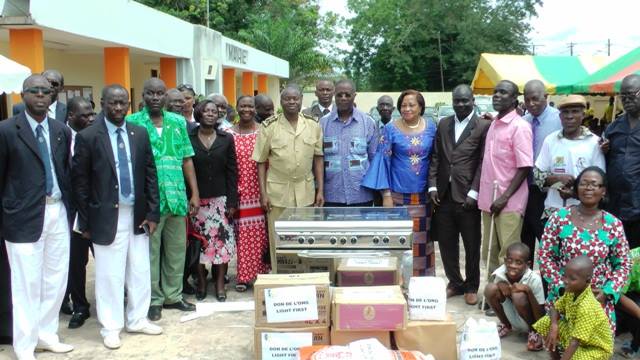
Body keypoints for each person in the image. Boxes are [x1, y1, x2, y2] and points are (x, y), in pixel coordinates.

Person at [72, 85, 162, 349]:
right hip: (105, 216)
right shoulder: (88, 137)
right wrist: (86, 222)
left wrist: (153, 212)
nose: (119, 108)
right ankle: (110, 326)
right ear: (102, 103)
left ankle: (137, 319)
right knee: (109, 274)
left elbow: (150, 175)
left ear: (130, 104)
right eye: (113, 103)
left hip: (137, 214)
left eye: (123, 102)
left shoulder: (139, 134)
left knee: (140, 269)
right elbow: (80, 184)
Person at [0, 74, 74, 360]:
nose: (41, 95)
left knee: (55, 279)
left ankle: (46, 334)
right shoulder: (6, 130)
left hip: (57, 211)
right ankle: (25, 345)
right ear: (23, 95)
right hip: (22, 217)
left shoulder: (60, 130)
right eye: (35, 91)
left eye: (46, 91)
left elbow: (65, 171)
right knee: (26, 284)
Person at [126, 78, 199, 321]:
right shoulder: (132, 123)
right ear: (143, 96)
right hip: (150, 201)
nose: (155, 97)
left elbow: (187, 159)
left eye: (160, 93)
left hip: (177, 196)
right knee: (150, 253)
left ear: (166, 97)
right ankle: (153, 299)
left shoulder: (178, 122)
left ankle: (173, 296)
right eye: (150, 93)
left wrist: (194, 193)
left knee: (177, 251)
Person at [538, 166, 630, 333]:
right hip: (562, 298)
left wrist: (607, 292)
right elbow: (545, 256)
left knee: (592, 353)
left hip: (597, 301)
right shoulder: (559, 218)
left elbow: (623, 264)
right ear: (576, 188)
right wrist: (560, 285)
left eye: (594, 184)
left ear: (603, 191)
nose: (588, 188)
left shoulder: (613, 224)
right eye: (584, 183)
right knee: (561, 351)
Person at [363, 89, 437, 276]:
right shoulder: (390, 129)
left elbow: (436, 158)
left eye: (411, 105)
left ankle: (421, 282)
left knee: (422, 241)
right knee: (399, 241)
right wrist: (386, 194)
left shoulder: (431, 127)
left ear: (421, 107)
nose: (407, 108)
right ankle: (398, 281)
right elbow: (382, 161)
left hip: (422, 197)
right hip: (397, 197)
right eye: (403, 105)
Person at [428, 84, 491, 305]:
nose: (461, 104)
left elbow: (483, 162)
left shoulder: (483, 126)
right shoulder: (444, 124)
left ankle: (472, 285)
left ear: (473, 100)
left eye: (465, 100)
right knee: (446, 243)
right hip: (444, 195)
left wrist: (475, 192)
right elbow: (436, 156)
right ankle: (455, 282)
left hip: (468, 196)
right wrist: (433, 186)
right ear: (452, 101)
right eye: (457, 100)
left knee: (472, 243)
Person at [252, 84, 324, 272]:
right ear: (280, 101)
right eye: (287, 99)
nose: (292, 102)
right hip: (277, 192)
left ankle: (303, 275)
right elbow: (260, 161)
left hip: (305, 190)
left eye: (295, 98)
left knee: (305, 237)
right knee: (278, 238)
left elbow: (318, 158)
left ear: (301, 100)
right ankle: (280, 275)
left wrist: (320, 190)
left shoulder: (313, 124)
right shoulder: (270, 126)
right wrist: (263, 194)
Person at [478, 80, 533, 280]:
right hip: (488, 199)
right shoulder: (493, 124)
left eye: (503, 92)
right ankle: (494, 293)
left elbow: (525, 166)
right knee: (489, 251)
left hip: (508, 202)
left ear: (514, 99)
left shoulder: (520, 126)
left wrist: (505, 197)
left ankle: (507, 298)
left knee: (508, 255)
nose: (497, 96)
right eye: (495, 92)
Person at [188, 99, 238, 301]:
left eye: (214, 111)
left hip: (220, 201)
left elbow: (232, 172)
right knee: (198, 244)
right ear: (199, 113)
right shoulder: (189, 137)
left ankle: (219, 284)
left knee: (220, 244)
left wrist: (232, 202)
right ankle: (201, 280)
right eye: (206, 110)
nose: (210, 113)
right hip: (196, 201)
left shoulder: (226, 138)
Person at [533, 95, 605, 222]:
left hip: (585, 214)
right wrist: (557, 180)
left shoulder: (594, 142)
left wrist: (574, 194)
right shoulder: (551, 140)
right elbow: (537, 176)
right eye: (565, 112)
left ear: (583, 115)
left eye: (575, 111)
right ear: (560, 117)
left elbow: (600, 183)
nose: (569, 116)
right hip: (554, 213)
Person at [227, 96, 270, 290]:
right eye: (242, 105)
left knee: (260, 234)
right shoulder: (227, 134)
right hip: (237, 191)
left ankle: (261, 273)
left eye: (250, 106)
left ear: (255, 109)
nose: (246, 109)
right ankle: (243, 276)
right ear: (236, 108)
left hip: (259, 189)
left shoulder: (264, 132)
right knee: (241, 234)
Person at [533, 256, 613, 359]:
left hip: (595, 347)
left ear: (587, 281)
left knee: (575, 356)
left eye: (572, 278)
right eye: (565, 276)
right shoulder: (571, 292)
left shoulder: (587, 307)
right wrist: (554, 325)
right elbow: (555, 308)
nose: (566, 281)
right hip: (575, 335)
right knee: (545, 323)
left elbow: (575, 342)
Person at [62, 96, 96, 329]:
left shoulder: (96, 137)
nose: (90, 119)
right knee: (76, 262)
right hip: (71, 211)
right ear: (71, 116)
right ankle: (80, 306)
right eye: (85, 115)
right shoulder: (61, 138)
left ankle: (110, 302)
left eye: (92, 114)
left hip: (98, 209)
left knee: (106, 260)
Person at [520, 80, 561, 264]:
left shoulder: (560, 119)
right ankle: (526, 287)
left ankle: (549, 287)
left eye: (535, 99)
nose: (531, 104)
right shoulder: (524, 121)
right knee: (524, 242)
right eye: (527, 100)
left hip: (549, 191)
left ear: (546, 97)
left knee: (547, 242)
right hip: (525, 189)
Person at [320, 79, 378, 207]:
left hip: (362, 195)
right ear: (334, 96)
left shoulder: (368, 122)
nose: (343, 98)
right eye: (339, 95)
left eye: (347, 95)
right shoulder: (323, 123)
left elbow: (374, 159)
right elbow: (319, 159)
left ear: (354, 96)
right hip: (331, 196)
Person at [601, 74, 640, 250]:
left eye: (631, 95)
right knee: (618, 252)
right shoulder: (614, 127)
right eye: (623, 96)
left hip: (637, 200)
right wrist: (603, 149)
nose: (626, 100)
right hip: (616, 204)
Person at [484, 243, 545, 351]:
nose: (513, 265)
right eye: (509, 261)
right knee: (490, 289)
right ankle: (505, 325)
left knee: (518, 296)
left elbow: (540, 315)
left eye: (519, 262)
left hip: (530, 321)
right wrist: (500, 284)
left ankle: (534, 333)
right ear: (505, 260)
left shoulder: (534, 279)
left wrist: (528, 291)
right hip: (510, 314)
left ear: (528, 264)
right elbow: (495, 292)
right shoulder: (500, 273)